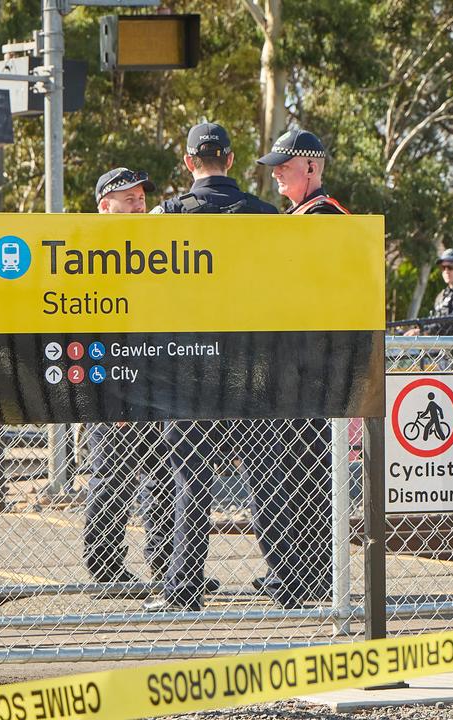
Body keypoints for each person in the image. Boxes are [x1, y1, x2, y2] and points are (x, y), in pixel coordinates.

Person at [147, 122, 276, 612]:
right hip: (253, 368)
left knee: (188, 480)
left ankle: (184, 589)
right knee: (267, 476)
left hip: (187, 368)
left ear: (188, 163)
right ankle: (291, 580)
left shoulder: (166, 216)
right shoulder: (268, 217)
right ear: (232, 158)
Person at [245, 129, 349, 608]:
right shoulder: (300, 216)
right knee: (287, 475)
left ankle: (304, 574)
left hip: (310, 368)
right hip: (292, 366)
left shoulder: (324, 216)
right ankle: (293, 569)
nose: (276, 173)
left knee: (300, 476)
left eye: (284, 165)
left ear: (311, 167)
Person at [81, 167, 176, 598]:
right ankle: (104, 567)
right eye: (129, 198)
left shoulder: (155, 250)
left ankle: (165, 563)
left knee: (160, 475)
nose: (139, 204)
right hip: (113, 383)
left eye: (141, 197)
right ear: (105, 206)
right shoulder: (91, 253)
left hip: (157, 381)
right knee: (112, 477)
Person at [404, 248, 453, 336]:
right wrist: (421, 329)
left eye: (451, 266)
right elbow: (434, 320)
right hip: (440, 346)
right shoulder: (442, 295)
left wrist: (425, 330)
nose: (446, 271)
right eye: (443, 267)